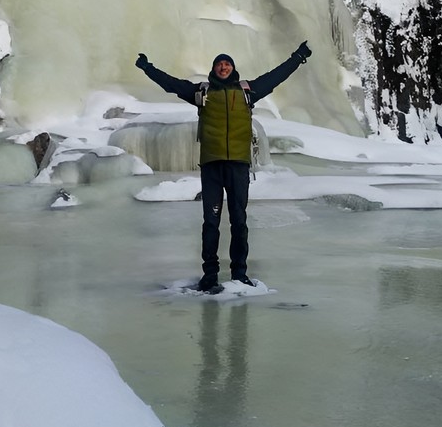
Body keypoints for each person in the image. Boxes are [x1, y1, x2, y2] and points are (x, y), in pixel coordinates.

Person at [134, 44, 312, 292]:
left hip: (238, 166)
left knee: (239, 221)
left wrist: (297, 57)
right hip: (212, 167)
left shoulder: (248, 90)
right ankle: (210, 274)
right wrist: (147, 68)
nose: (223, 67)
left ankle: (240, 274)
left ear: (233, 68)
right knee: (211, 222)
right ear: (213, 69)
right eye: (219, 64)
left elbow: (276, 76)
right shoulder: (201, 92)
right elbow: (171, 84)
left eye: (227, 63)